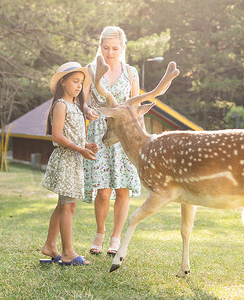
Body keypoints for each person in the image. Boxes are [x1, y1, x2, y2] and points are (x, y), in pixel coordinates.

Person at [83, 26, 143, 256]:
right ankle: (100, 232)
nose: (110, 52)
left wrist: (141, 139)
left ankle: (116, 238)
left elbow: (136, 108)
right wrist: (87, 110)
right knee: (104, 191)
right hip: (99, 131)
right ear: (100, 47)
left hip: (124, 134)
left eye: (115, 48)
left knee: (123, 189)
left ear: (123, 48)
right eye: (106, 48)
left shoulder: (131, 72)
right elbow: (83, 102)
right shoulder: (90, 69)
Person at [40, 61, 98, 266]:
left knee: (63, 205)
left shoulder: (75, 106)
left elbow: (73, 134)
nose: (79, 86)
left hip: (74, 159)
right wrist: (80, 149)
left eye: (81, 82)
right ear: (62, 82)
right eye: (75, 81)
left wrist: (86, 145)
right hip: (66, 160)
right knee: (69, 206)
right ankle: (67, 253)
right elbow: (57, 135)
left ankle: (49, 245)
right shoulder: (61, 105)